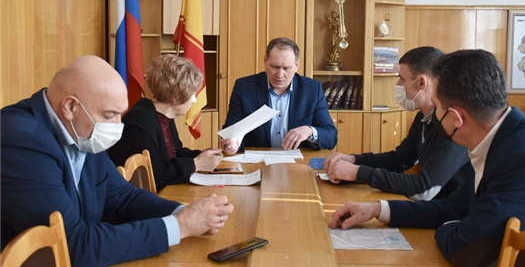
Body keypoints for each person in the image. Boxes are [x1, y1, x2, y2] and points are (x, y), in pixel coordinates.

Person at [1, 55, 234, 266]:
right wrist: (181, 226)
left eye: (119, 115)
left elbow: (122, 197)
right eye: (109, 115)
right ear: (71, 106)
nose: (117, 127)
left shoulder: (80, 128)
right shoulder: (21, 141)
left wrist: (186, 212)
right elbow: (73, 243)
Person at [331, 49, 525, 266]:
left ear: (456, 118)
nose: (434, 115)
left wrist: (450, 226)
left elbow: (465, 248)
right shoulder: (499, 141)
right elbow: (451, 208)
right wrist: (376, 209)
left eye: (437, 106)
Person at [324, 46, 470, 200]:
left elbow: (424, 189)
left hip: (449, 216)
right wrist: (353, 160)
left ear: (421, 82)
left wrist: (357, 172)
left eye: (402, 78)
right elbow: (399, 160)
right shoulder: (423, 116)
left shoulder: (451, 125)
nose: (398, 84)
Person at [108, 55, 223, 191]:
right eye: (192, 94)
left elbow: (175, 153)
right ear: (175, 98)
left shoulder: (162, 115)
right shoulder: (141, 124)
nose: (194, 100)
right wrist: (195, 164)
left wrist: (200, 156)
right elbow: (154, 175)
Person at [220, 37, 337, 154]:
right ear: (265, 60)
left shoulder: (312, 89)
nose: (280, 75)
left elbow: (331, 137)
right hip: (256, 163)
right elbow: (230, 132)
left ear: (297, 65)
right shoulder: (244, 87)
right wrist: (231, 144)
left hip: (298, 164)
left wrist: (310, 131)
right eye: (275, 67)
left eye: (287, 68)